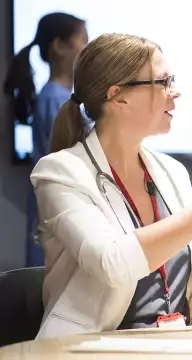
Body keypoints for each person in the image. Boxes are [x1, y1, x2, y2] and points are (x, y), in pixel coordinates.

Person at [30, 33, 192, 338]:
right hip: (88, 350)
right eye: (164, 82)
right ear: (118, 96)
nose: (176, 92)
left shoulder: (171, 171)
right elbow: (113, 263)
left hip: (178, 347)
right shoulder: (60, 173)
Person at [3, 12, 88, 267]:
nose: (88, 48)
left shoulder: (60, 98)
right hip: (58, 216)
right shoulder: (56, 100)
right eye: (83, 40)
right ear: (60, 46)